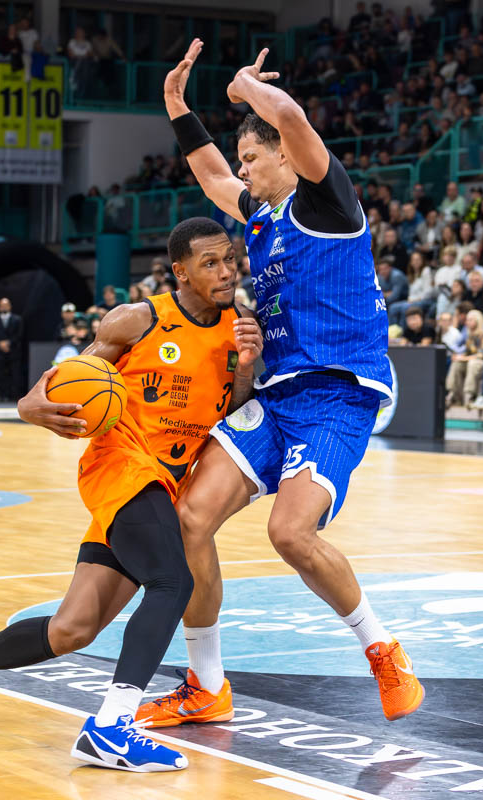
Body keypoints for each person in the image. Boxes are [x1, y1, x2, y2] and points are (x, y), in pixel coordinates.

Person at [0, 218, 262, 773]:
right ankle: (111, 727)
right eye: (211, 263)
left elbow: (230, 408)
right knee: (174, 581)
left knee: (71, 630)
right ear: (180, 271)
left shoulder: (240, 326)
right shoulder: (137, 320)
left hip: (163, 485)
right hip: (120, 466)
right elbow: (69, 377)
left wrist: (246, 369)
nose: (226, 271)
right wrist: (28, 404)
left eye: (229, 259)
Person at [141, 41, 424, 726]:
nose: (241, 169)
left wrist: (243, 84)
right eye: (241, 159)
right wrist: (177, 106)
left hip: (337, 396)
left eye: (251, 157)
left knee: (289, 534)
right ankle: (206, 686)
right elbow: (212, 176)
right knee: (189, 518)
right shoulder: (262, 218)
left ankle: (384, 650)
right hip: (277, 398)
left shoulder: (327, 203)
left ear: (285, 158)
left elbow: (291, 116)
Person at [0, 297, 25, 401]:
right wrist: (0, 343)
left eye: (6, 305)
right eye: (2, 305)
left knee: (15, 374)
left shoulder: (17, 319)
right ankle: (2, 395)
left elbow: (20, 334)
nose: (4, 307)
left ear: (10, 306)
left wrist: (9, 343)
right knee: (0, 374)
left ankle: (15, 395)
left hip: (13, 351)